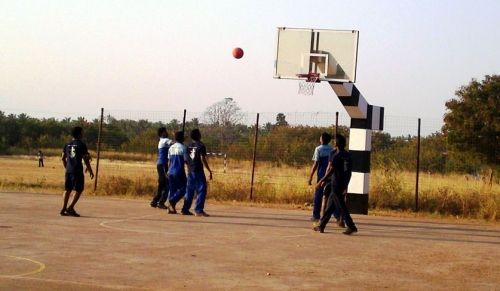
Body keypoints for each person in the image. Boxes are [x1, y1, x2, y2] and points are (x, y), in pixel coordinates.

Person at [314, 134, 357, 235]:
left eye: (335, 141)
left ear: (337, 143)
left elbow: (330, 170)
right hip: (342, 183)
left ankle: (351, 226)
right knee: (330, 206)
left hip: (336, 183)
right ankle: (321, 225)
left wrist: (321, 181)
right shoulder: (347, 155)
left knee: (342, 206)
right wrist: (346, 184)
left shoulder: (337, 156)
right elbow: (349, 172)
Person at [60, 126, 94, 217]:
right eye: (82, 132)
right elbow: (86, 159)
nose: (83, 134)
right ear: (79, 134)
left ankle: (63, 208)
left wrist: (66, 167)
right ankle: (70, 207)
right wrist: (90, 171)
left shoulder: (67, 144)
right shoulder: (81, 145)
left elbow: (63, 158)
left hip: (69, 171)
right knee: (79, 190)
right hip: (77, 170)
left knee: (67, 189)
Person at [307, 132, 339, 222]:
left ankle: (316, 216)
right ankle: (337, 215)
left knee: (318, 196)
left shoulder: (318, 149)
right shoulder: (332, 150)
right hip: (331, 175)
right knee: (332, 196)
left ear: (321, 140)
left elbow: (315, 164)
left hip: (321, 175)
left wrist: (310, 177)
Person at [181, 129, 213, 217]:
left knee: (189, 191)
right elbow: (202, 158)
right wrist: (209, 170)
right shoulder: (201, 146)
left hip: (190, 171)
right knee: (202, 190)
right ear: (199, 135)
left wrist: (189, 168)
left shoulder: (188, 146)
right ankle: (198, 210)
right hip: (198, 170)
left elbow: (186, 160)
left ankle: (185, 209)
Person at [166, 131, 188, 214]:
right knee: (185, 188)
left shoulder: (171, 148)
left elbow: (169, 161)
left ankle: (171, 208)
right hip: (179, 171)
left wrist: (168, 170)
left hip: (171, 171)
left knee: (172, 190)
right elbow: (186, 160)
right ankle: (172, 201)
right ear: (182, 138)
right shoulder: (183, 147)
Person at [150, 127, 172, 209]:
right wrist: (178, 139)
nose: (167, 132)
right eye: (166, 131)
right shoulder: (164, 140)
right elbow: (173, 143)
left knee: (161, 183)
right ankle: (161, 202)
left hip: (161, 164)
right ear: (162, 133)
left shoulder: (162, 141)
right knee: (167, 183)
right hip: (163, 164)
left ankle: (155, 201)